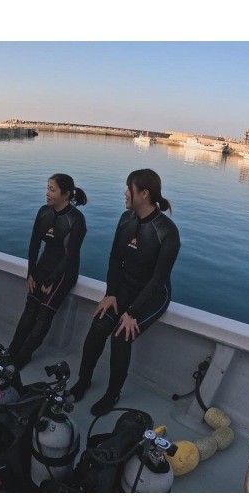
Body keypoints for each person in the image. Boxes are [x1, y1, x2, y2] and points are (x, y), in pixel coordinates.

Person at [69, 168, 180, 416]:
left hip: (153, 297)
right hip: (124, 289)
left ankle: (112, 394)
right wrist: (110, 294)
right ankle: (83, 381)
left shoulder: (167, 231)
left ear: (144, 194)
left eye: (129, 188)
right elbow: (115, 258)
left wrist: (132, 313)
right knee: (98, 327)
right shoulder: (125, 219)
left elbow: (158, 279)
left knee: (121, 336)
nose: (124, 193)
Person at [7, 174, 87, 369]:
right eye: (47, 188)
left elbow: (69, 256)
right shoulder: (44, 212)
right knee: (29, 310)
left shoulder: (76, 220)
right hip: (43, 266)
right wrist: (31, 273)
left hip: (64, 273)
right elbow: (34, 243)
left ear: (66, 194)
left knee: (43, 314)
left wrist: (51, 280)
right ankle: (11, 351)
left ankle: (23, 356)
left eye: (52, 189)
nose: (47, 193)